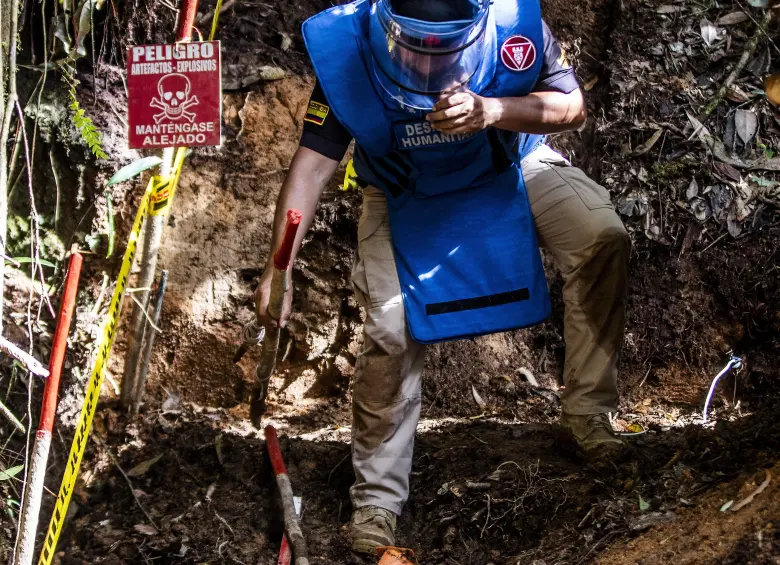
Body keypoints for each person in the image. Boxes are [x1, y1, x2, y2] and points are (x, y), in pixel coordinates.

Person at [254, 0, 630, 554]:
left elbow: (571, 106)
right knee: (389, 325)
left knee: (601, 235)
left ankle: (588, 415)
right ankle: (377, 500)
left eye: (444, 50)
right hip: (401, 185)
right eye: (414, 50)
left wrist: (494, 109)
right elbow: (313, 163)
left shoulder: (515, 26)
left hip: (510, 163)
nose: (429, 67)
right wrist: (277, 267)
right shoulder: (349, 50)